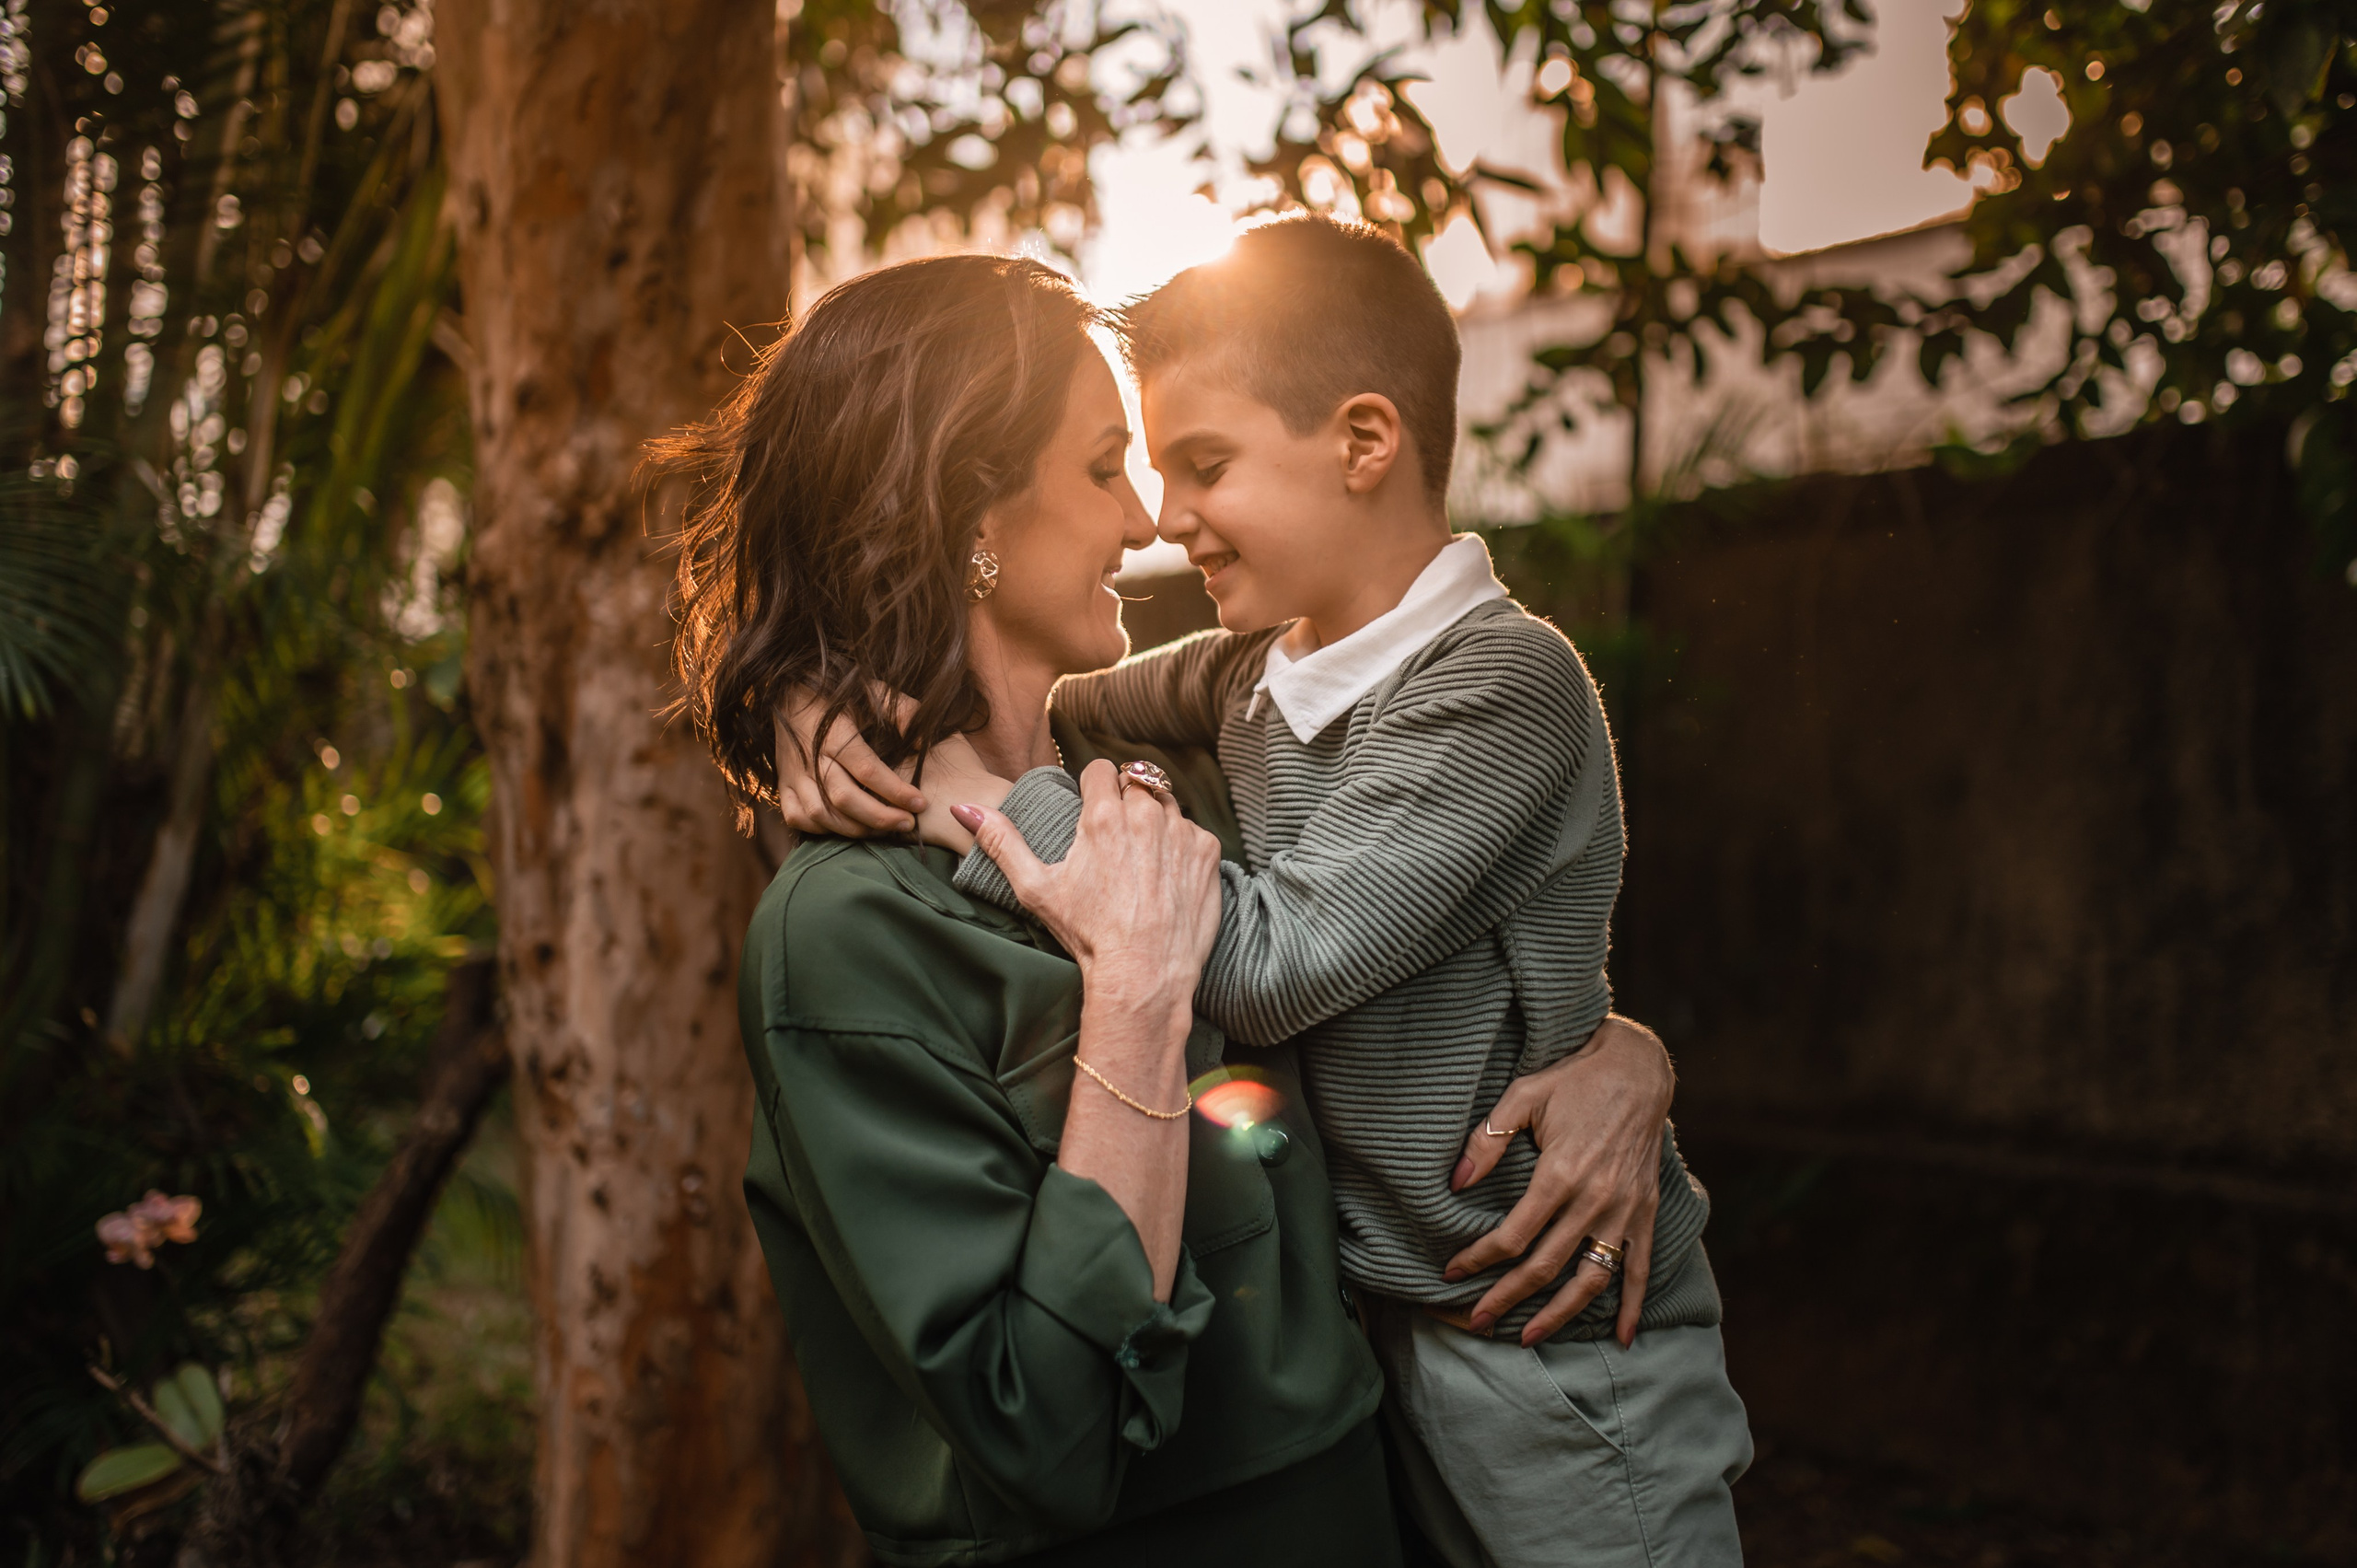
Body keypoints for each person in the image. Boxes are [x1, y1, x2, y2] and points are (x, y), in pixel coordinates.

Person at [670, 251, 1678, 1568]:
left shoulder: (1191, 781)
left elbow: (1397, 962)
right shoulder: (853, 928)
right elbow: (1038, 1430)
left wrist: (1621, 1054)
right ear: (965, 512)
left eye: (1179, 468)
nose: (1150, 522)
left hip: (1438, 1456)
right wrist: (845, 718)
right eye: (1106, 468)